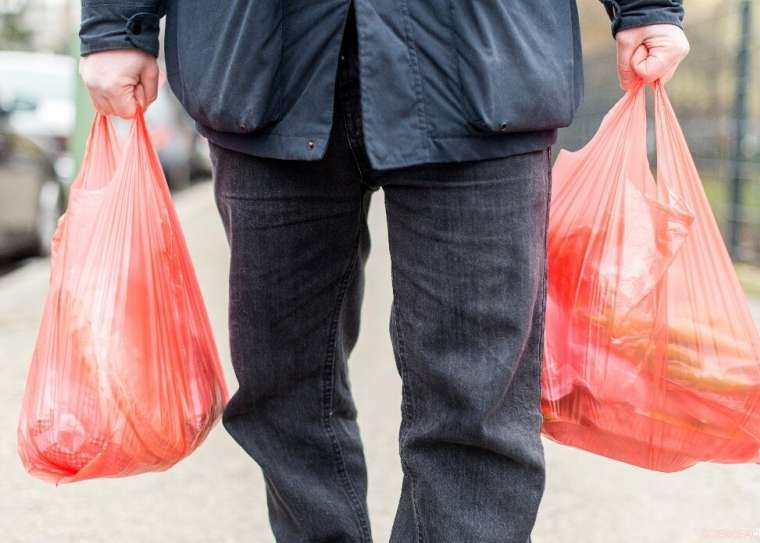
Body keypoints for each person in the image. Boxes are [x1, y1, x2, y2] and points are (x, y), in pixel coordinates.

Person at [78, 1, 689, 541]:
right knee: (281, 385)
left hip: (481, 61)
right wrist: (115, 22)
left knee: (476, 397)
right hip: (265, 62)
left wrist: (647, 5)